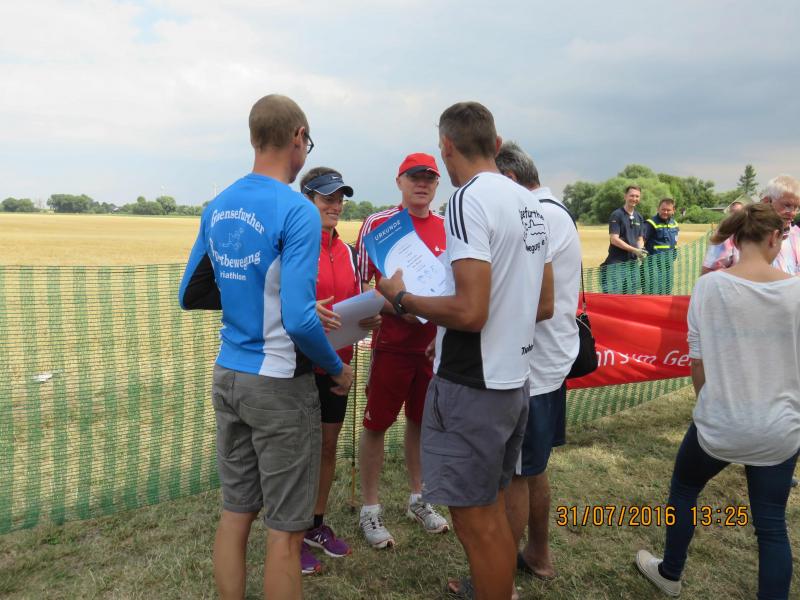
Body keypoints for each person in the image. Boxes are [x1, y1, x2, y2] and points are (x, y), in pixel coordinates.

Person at [178, 94, 353, 600]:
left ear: (255, 138)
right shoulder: (296, 210)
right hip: (278, 383)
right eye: (307, 143)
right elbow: (299, 320)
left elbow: (191, 292)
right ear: (298, 137)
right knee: (285, 532)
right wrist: (335, 369)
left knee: (236, 513)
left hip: (228, 374)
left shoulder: (218, 205)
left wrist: (253, 296)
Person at [376, 102, 552, 600]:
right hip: (514, 381)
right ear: (496, 145)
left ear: (447, 147)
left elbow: (471, 312)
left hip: (473, 384)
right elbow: (545, 303)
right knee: (490, 511)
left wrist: (403, 298)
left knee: (476, 524)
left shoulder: (465, 200)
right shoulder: (529, 203)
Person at [635, 203, 800, 599]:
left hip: (719, 423)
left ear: (737, 239)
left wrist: (708, 408)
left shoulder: (709, 287)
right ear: (775, 237)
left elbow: (698, 361)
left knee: (684, 489)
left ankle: (670, 572)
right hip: (779, 429)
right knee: (771, 525)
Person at [354, 152, 450, 548]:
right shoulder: (379, 224)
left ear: (437, 184)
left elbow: (453, 287)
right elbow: (362, 284)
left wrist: (437, 327)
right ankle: (370, 509)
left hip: (431, 349)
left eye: (429, 177)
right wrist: (400, 308)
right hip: (392, 345)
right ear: (399, 181)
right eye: (414, 177)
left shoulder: (448, 226)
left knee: (421, 422)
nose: (422, 184)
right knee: (377, 424)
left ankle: (419, 498)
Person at [495, 142, 580, 583]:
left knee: (514, 476)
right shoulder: (555, 211)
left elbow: (529, 300)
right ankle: (538, 554)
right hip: (550, 362)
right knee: (532, 469)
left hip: (533, 366)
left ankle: (500, 581)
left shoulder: (536, 217)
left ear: (509, 181)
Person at [297, 167, 382, 574]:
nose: (335, 206)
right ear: (307, 200)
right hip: (299, 368)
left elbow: (352, 305)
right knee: (300, 453)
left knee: (327, 448)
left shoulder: (347, 251)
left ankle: (314, 524)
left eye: (339, 199)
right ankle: (291, 533)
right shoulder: (293, 245)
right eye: (326, 198)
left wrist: (370, 317)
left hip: (340, 369)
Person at [702, 176, 800, 276]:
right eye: (787, 206)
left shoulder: (797, 235)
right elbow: (709, 275)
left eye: (797, 208)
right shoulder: (735, 231)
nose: (793, 213)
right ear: (767, 202)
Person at [600, 185, 646, 293]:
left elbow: (640, 238)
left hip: (633, 264)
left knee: (631, 297)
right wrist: (634, 250)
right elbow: (614, 239)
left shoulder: (639, 217)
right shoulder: (617, 215)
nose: (634, 198)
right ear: (625, 196)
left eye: (637, 196)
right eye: (632, 196)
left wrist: (641, 250)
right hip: (617, 264)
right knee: (613, 297)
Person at [642, 198, 679, 294]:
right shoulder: (650, 223)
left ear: (673, 210)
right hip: (653, 265)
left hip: (668, 264)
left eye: (668, 210)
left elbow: (675, 241)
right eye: (663, 209)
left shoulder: (675, 224)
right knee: (652, 291)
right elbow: (642, 241)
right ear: (658, 209)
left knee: (667, 290)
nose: (665, 212)